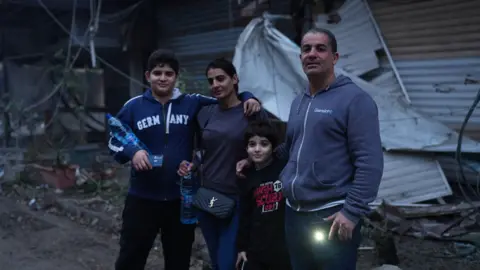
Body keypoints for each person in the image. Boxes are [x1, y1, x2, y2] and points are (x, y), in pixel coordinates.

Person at [237, 28, 384, 270]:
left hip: (330, 216)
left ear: (334, 58)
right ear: (301, 58)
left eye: (320, 48)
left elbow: (370, 163)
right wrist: (257, 160)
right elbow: (292, 147)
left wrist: (351, 212)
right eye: (306, 49)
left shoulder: (355, 100)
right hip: (294, 214)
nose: (312, 54)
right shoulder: (299, 101)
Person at [109, 49, 261, 270]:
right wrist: (133, 152)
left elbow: (227, 98)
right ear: (147, 76)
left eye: (168, 73)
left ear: (176, 77)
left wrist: (249, 96)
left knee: (179, 260)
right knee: (130, 258)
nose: (162, 78)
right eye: (157, 73)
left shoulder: (192, 102)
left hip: (182, 200)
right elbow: (114, 138)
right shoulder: (133, 106)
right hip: (142, 199)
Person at [177, 58, 269, 270]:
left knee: (229, 263)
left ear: (235, 79)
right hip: (207, 198)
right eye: (211, 81)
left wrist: (249, 159)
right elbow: (201, 151)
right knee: (218, 262)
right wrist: (191, 165)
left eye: (221, 78)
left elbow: (270, 150)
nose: (215, 85)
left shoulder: (251, 112)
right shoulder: (207, 112)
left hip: (238, 199)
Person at [235, 120, 291, 270]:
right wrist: (242, 248)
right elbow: (245, 214)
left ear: (273, 147)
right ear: (246, 148)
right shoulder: (247, 176)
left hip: (284, 248)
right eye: (252, 144)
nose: (257, 149)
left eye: (264, 144)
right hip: (256, 249)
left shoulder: (285, 168)